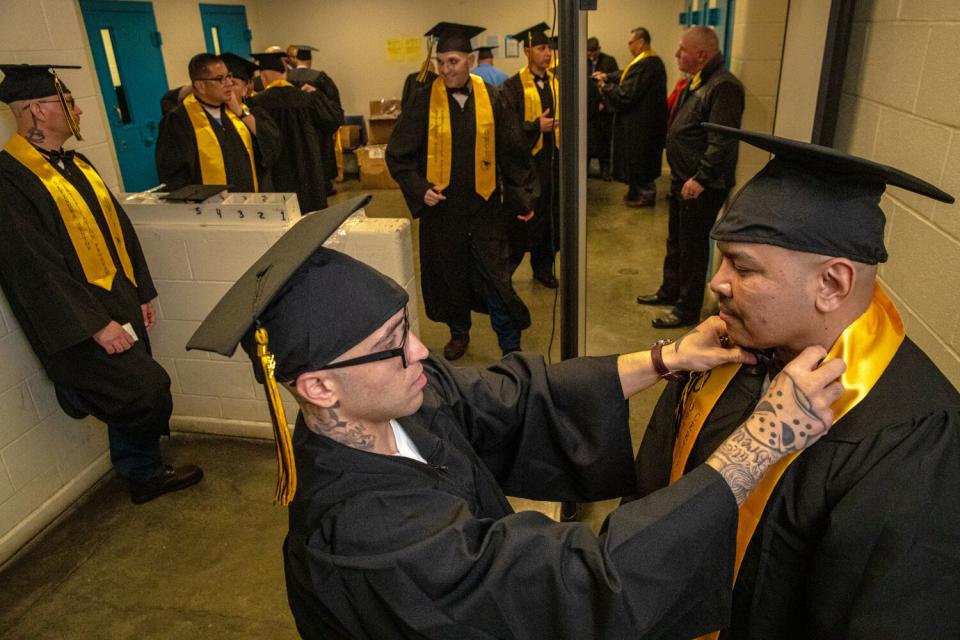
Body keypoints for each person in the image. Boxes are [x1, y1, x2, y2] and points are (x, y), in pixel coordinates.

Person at [185, 194, 847, 639]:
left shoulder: (396, 397)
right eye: (392, 345)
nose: (420, 351)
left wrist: (668, 357)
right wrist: (756, 446)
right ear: (320, 389)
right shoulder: (362, 531)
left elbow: (515, 396)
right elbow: (566, 585)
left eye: (408, 326)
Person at [627, 124, 960, 639]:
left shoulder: (911, 437)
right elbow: (650, 492)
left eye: (742, 266)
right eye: (722, 257)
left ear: (832, 284)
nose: (717, 281)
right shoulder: (725, 355)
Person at [0, 64, 203, 504]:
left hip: (118, 298)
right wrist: (94, 324)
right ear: (36, 108)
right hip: (79, 318)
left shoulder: (76, 164)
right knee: (146, 388)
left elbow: (119, 229)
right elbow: (35, 267)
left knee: (137, 391)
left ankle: (143, 469)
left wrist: (141, 289)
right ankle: (136, 466)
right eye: (68, 103)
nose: (79, 112)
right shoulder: (10, 178)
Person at [386, 23, 538, 361]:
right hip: (443, 211)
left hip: (486, 208)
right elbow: (397, 154)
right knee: (451, 275)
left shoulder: (494, 98)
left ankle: (510, 345)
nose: (445, 69)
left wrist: (521, 197)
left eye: (453, 61)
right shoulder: (424, 100)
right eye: (441, 62)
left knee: (496, 277)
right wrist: (419, 189)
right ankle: (459, 332)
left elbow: (513, 152)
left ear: (469, 59)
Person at [636, 26, 744, 328]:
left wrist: (701, 177)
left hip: (701, 184)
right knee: (677, 242)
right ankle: (670, 291)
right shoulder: (697, 81)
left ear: (701, 54)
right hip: (683, 179)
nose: (676, 54)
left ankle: (686, 309)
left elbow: (722, 141)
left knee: (693, 247)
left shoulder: (724, 86)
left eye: (682, 49)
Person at [156, 53, 276, 193]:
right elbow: (175, 178)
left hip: (248, 206)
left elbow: (271, 147)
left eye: (229, 76)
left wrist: (241, 113)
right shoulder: (178, 121)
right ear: (200, 85)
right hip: (207, 210)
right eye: (220, 79)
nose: (229, 83)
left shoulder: (237, 112)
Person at [500, 23, 561, 289]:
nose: (548, 53)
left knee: (550, 220)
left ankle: (543, 268)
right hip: (527, 168)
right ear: (527, 51)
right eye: (541, 48)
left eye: (549, 48)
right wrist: (537, 126)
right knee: (524, 221)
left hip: (554, 163)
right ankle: (505, 273)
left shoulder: (557, 83)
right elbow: (508, 130)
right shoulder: (512, 87)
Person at [247, 51, 343, 214]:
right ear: (285, 73)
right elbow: (333, 120)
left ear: (262, 77)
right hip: (310, 167)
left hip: (278, 172)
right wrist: (317, 94)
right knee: (312, 216)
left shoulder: (256, 103)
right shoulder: (307, 98)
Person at [594, 27, 666, 208]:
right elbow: (625, 74)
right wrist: (608, 76)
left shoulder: (648, 63)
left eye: (630, 42)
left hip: (643, 124)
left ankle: (646, 194)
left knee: (641, 158)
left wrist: (604, 86)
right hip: (638, 122)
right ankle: (636, 190)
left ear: (640, 42)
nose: (629, 46)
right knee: (634, 157)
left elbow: (627, 93)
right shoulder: (643, 61)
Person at [285, 44, 344, 196]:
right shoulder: (319, 77)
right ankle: (324, 187)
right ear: (310, 60)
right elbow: (334, 106)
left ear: (295, 60)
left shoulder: (286, 79)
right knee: (320, 158)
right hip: (319, 129)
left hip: (294, 131)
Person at [586, 37, 618, 181]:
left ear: (599, 48)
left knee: (604, 142)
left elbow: (615, 83)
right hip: (588, 110)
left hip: (604, 110)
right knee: (587, 141)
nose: (591, 56)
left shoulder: (609, 61)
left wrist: (604, 102)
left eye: (594, 52)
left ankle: (605, 171)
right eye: (589, 53)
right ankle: (584, 171)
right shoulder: (582, 61)